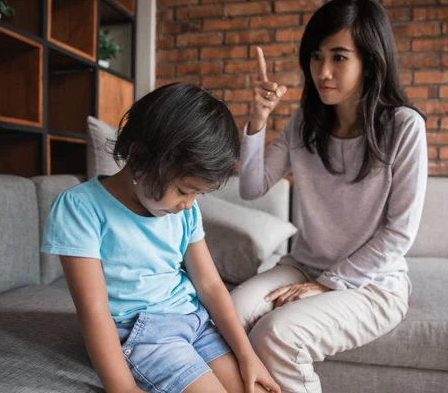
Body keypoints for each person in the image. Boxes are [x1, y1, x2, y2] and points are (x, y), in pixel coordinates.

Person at [232, 0, 428, 392]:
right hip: (303, 266)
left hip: (374, 285)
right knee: (228, 316)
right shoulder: (304, 123)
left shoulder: (404, 128)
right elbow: (252, 188)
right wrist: (258, 119)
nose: (322, 71)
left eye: (339, 57)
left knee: (276, 334)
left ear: (371, 62)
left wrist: (329, 283)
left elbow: (399, 234)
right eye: (316, 56)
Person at [41, 83, 280, 393]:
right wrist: (123, 388)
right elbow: (95, 311)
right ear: (140, 158)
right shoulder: (80, 208)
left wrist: (248, 355)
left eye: (198, 194)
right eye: (183, 190)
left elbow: (209, 285)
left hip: (195, 322)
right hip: (146, 333)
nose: (189, 204)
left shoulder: (185, 213)